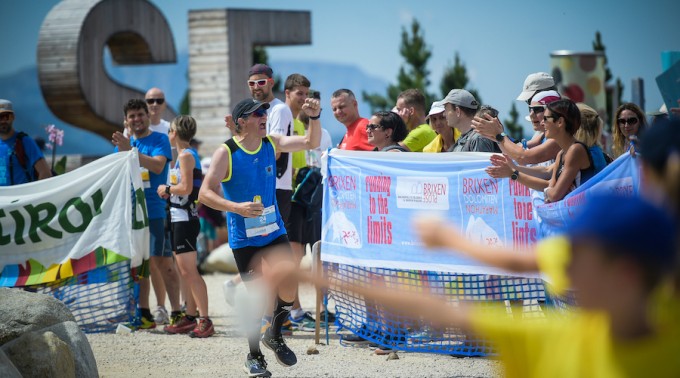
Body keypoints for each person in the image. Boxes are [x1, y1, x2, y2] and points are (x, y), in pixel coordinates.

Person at [297, 193, 679, 377]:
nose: (565, 269)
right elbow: (434, 307)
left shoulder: (556, 342)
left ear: (626, 275)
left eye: (578, 259)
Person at [199, 96, 321, 377]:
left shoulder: (271, 144)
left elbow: (309, 143)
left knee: (289, 280)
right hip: (244, 237)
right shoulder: (226, 152)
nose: (264, 116)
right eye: (257, 115)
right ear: (241, 121)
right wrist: (235, 207)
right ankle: (253, 356)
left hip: (273, 229)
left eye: (264, 113)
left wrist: (314, 118)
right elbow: (205, 193)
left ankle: (274, 335)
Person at [112, 99, 180, 330]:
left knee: (163, 263)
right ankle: (144, 314)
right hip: (130, 213)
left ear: (147, 116)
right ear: (126, 120)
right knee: (139, 264)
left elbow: (158, 166)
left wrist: (129, 151)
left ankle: (178, 313)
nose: (137, 119)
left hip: (153, 211)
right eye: (132, 116)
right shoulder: (123, 144)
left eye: (140, 114)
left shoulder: (159, 139)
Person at [156, 115, 214, 338]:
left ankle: (204, 319)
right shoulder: (181, 156)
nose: (168, 134)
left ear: (175, 133)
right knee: (184, 270)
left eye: (170, 130)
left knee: (190, 271)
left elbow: (187, 188)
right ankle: (190, 317)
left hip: (185, 219)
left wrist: (167, 189)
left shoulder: (186, 155)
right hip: (176, 217)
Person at [487, 99, 593, 203]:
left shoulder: (575, 150)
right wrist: (513, 171)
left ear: (560, 122)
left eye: (546, 119)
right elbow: (549, 187)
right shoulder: (562, 153)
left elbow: (554, 195)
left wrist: (513, 173)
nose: (542, 123)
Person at [472, 90, 562, 165]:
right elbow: (516, 150)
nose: (531, 114)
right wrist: (496, 136)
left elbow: (523, 157)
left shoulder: (557, 139)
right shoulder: (542, 137)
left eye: (537, 109)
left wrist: (499, 135)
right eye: (530, 109)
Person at [0, 99, 52, 186]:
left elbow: (45, 173)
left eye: (6, 116)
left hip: (22, 198)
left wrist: (33, 197)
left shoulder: (25, 141)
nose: (3, 121)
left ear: (13, 117)